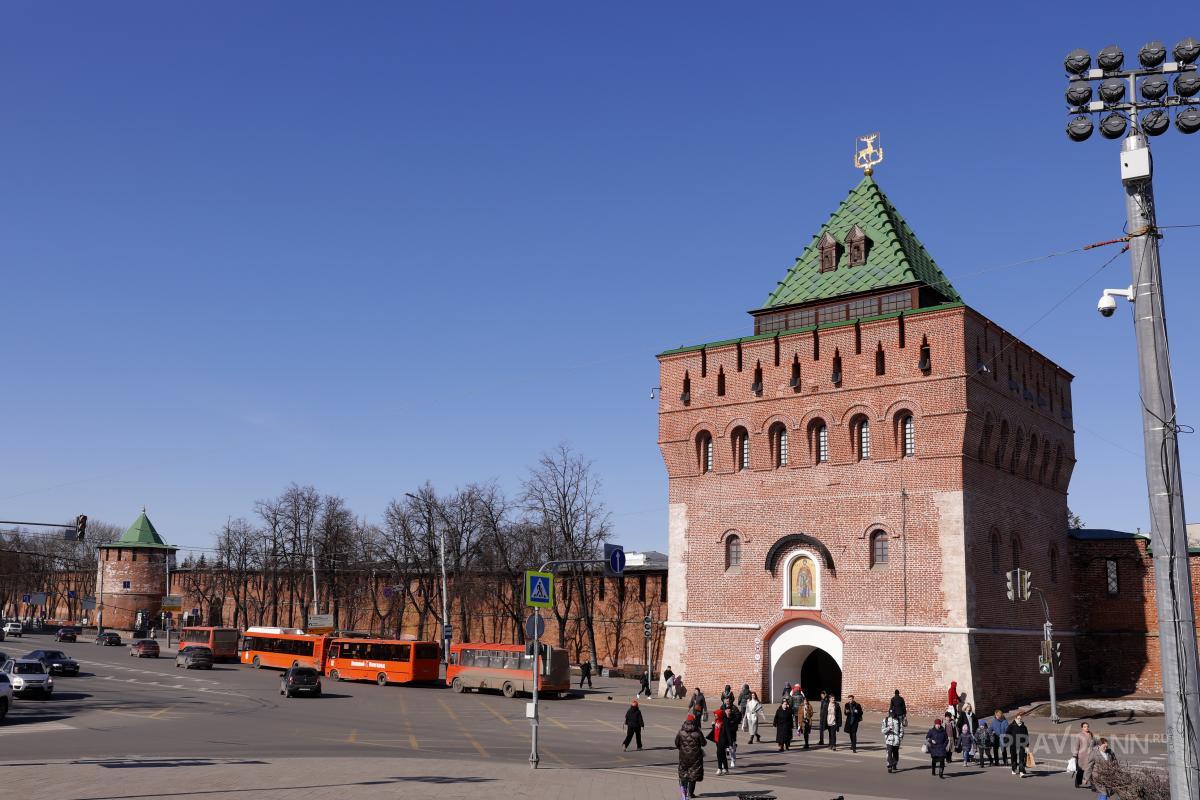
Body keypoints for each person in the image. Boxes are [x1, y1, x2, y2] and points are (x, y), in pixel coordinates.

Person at [675, 714, 706, 799]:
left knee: (683, 773)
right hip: (695, 757)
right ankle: (690, 793)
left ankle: (683, 791)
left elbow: (676, 743)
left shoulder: (681, 731)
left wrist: (682, 749)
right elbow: (704, 743)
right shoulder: (698, 732)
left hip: (683, 756)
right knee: (693, 774)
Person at [708, 708, 733, 775]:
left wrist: (730, 743)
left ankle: (719, 769)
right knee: (723, 755)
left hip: (722, 740)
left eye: (716, 715)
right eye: (715, 715)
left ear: (720, 715)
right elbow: (715, 729)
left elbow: (728, 733)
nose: (715, 716)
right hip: (717, 740)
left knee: (719, 754)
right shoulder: (716, 720)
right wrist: (713, 725)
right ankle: (726, 769)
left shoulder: (725, 721)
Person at [721, 696, 742, 767]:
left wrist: (733, 723)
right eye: (726, 700)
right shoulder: (722, 707)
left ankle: (733, 760)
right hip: (724, 731)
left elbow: (738, 716)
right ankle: (723, 762)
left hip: (732, 730)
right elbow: (720, 716)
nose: (727, 701)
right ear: (724, 700)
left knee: (732, 747)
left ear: (730, 700)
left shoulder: (734, 708)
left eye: (728, 700)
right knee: (724, 747)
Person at [1007, 713, 1030, 777]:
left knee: (1021, 758)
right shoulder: (1011, 726)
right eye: (1018, 718)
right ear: (1015, 718)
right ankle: (1014, 769)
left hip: (1022, 744)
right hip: (1013, 744)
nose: (1019, 719)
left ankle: (1021, 771)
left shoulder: (1024, 727)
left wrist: (1027, 746)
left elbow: (1026, 736)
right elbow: (1007, 734)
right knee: (1013, 757)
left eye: (1020, 718)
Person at [1073, 721, 1095, 788]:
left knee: (1091, 769)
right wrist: (1075, 755)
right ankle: (1077, 782)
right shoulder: (1079, 735)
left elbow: (1094, 743)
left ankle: (1093, 785)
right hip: (1082, 756)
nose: (1086, 728)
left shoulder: (1091, 734)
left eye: (1087, 726)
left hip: (1090, 755)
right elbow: (1076, 746)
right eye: (1085, 727)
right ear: (1082, 728)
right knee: (1081, 770)